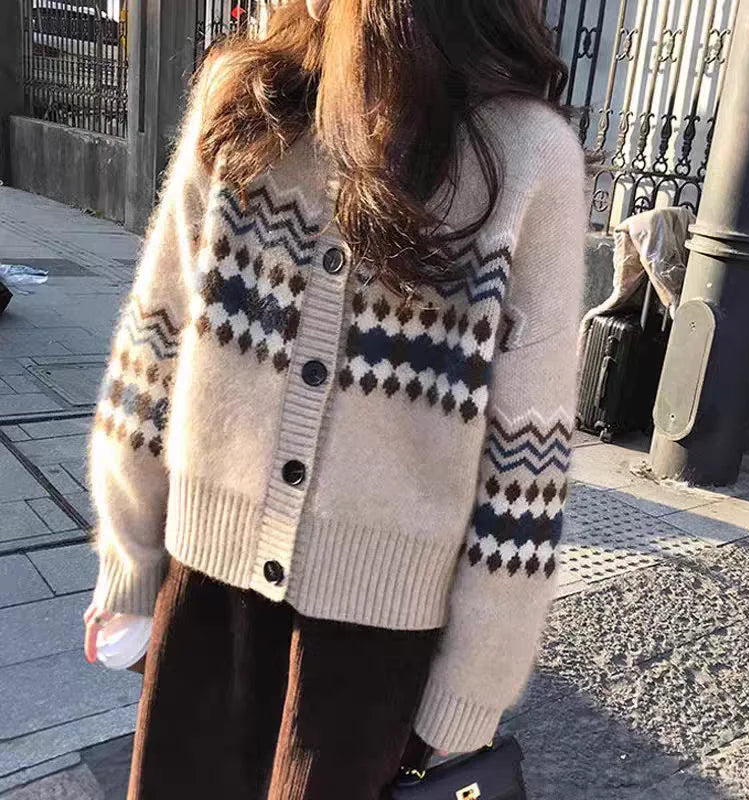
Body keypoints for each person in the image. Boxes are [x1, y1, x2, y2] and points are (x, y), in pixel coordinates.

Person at [83, 0, 586, 797]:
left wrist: (471, 690)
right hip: (204, 605)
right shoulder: (247, 102)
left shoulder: (526, 157)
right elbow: (155, 344)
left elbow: (526, 467)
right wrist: (130, 560)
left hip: (374, 657)